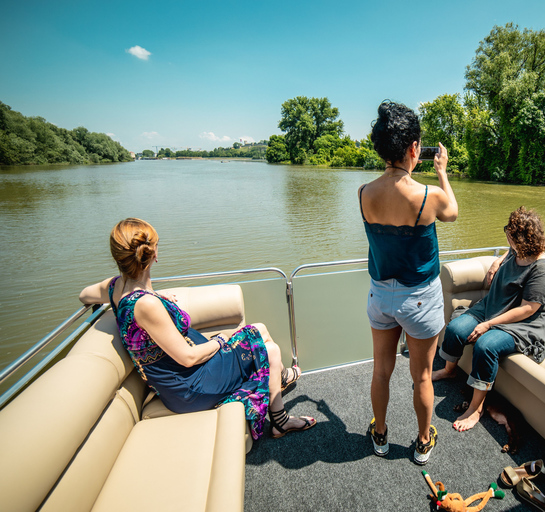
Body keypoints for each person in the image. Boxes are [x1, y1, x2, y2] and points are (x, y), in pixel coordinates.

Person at [79, 218, 316, 440]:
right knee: (271, 350)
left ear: (119, 258)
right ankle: (280, 422)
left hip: (179, 377)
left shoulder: (115, 287)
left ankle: (278, 377)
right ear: (153, 255)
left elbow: (84, 295)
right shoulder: (146, 305)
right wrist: (221, 340)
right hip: (189, 388)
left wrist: (152, 295)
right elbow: (188, 357)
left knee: (259, 329)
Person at [359, 101, 458, 465]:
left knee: (381, 370)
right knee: (422, 377)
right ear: (414, 147)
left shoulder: (363, 193)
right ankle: (421, 442)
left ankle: (380, 434)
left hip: (380, 296)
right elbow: (453, 212)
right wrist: (442, 172)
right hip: (420, 299)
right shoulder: (427, 196)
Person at [433, 207, 545, 432]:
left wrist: (489, 325)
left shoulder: (542, 269)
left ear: (522, 238)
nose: (507, 235)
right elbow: (508, 254)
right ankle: (450, 369)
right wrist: (496, 263)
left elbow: (528, 309)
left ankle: (476, 408)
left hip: (524, 325)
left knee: (486, 345)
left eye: (509, 232)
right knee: (456, 328)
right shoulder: (516, 249)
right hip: (493, 307)